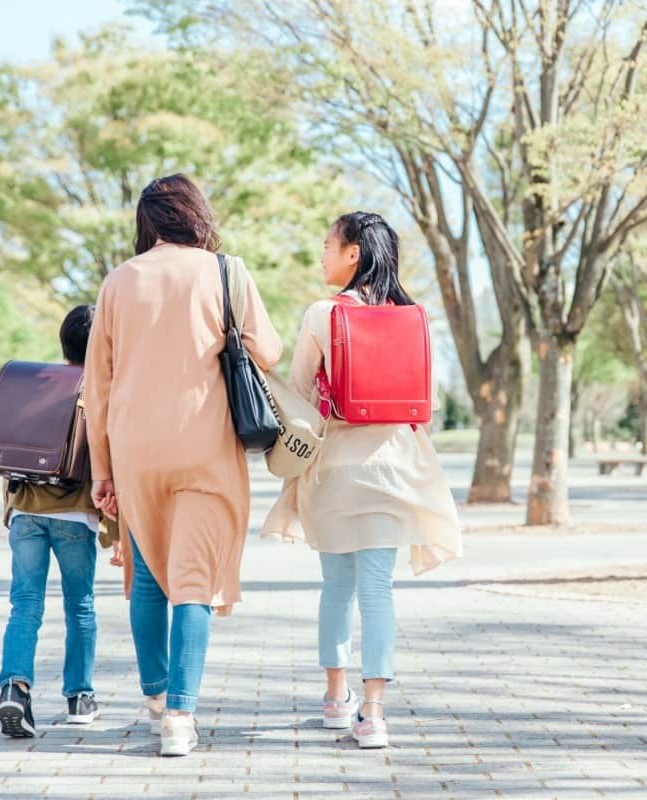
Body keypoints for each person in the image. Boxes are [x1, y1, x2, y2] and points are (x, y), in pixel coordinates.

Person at [83, 174, 282, 757]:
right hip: (204, 444)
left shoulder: (118, 281)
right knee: (193, 581)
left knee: (147, 576)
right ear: (195, 214)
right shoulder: (226, 271)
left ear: (147, 224)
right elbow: (267, 353)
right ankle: (179, 719)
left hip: (134, 449)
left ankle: (155, 697)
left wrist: (102, 471)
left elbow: (97, 386)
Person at [263, 211, 462, 749]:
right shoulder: (415, 318)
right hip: (393, 468)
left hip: (333, 471)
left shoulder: (321, 314)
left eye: (329, 244)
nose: (323, 254)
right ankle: (372, 713)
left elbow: (301, 394)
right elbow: (428, 403)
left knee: (336, 589)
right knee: (378, 590)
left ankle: (335, 700)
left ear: (353, 253)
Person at [0, 304, 121, 738]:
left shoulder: (35, 382)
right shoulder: (99, 388)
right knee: (80, 606)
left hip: (27, 510)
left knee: (24, 605)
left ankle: (15, 688)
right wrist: (119, 532)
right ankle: (80, 697)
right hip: (74, 515)